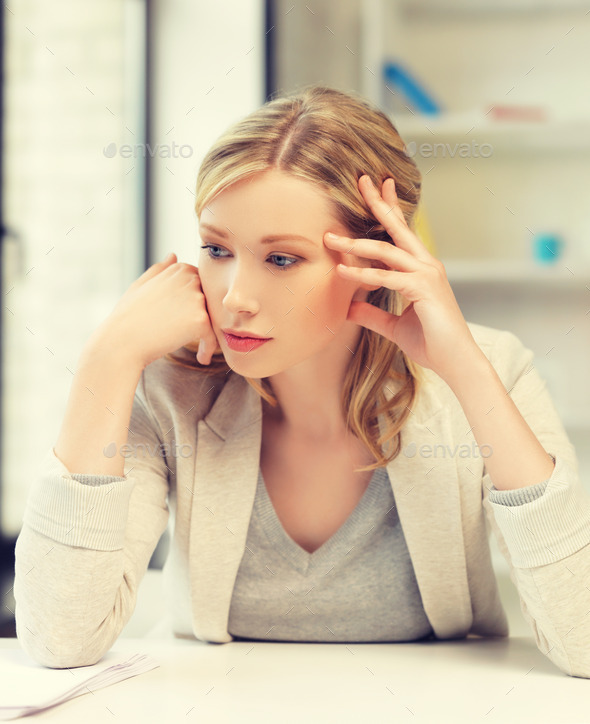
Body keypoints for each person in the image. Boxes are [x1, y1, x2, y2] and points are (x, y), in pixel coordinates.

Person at [13, 85, 590, 677]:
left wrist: (468, 374)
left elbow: (584, 641)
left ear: (374, 262)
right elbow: (60, 638)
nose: (235, 297)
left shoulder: (493, 370)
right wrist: (106, 360)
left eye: (281, 259)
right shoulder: (169, 388)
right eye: (216, 248)